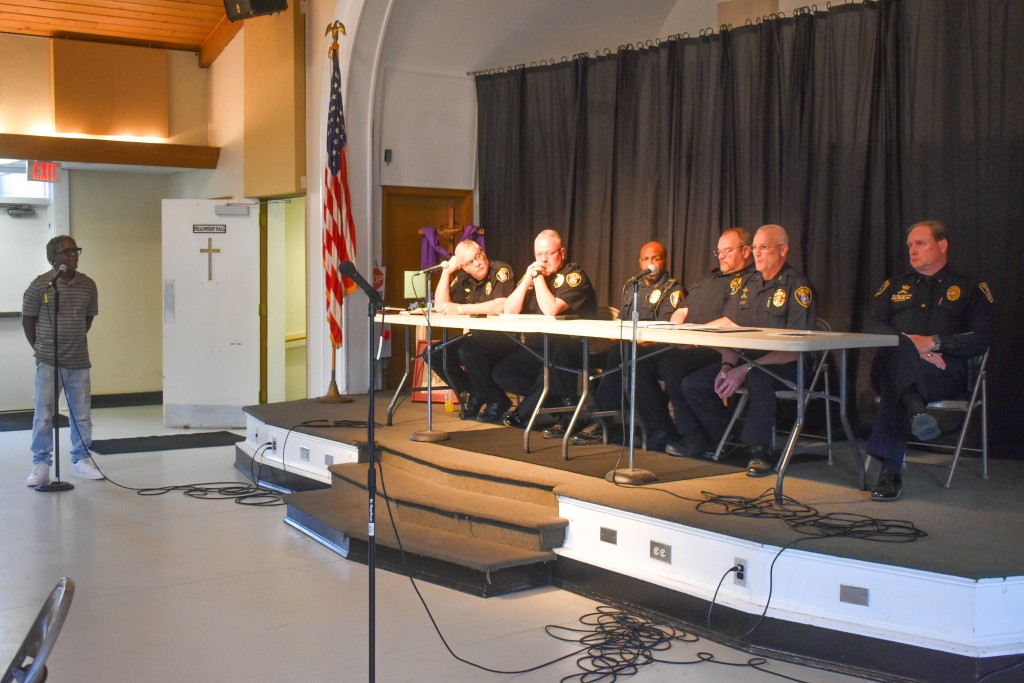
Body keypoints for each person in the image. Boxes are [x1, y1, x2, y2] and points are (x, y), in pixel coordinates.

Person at [863, 220, 994, 501]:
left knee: (895, 383)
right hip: (890, 367)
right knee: (898, 363)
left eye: (920, 243)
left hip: (943, 373)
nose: (912, 250)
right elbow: (870, 326)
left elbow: (981, 337)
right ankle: (915, 411)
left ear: (942, 245)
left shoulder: (970, 287)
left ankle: (890, 469)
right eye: (910, 245)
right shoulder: (893, 286)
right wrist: (912, 345)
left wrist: (935, 343)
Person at [676, 225, 816, 476]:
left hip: (785, 366)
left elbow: (796, 349)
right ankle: (733, 440)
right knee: (692, 384)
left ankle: (760, 451)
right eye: (755, 248)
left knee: (758, 378)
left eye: (765, 247)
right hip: (746, 361)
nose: (758, 254)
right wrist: (727, 365)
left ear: (783, 250)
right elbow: (731, 327)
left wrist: (744, 369)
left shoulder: (797, 287)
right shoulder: (749, 284)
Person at [460, 228, 595, 425]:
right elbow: (509, 310)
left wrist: (538, 278)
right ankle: (554, 400)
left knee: (550, 369)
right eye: (539, 254)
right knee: (502, 372)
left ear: (562, 253)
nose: (544, 260)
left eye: (549, 254)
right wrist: (525, 282)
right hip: (537, 346)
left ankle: (525, 413)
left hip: (569, 348)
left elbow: (551, 309)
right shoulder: (534, 275)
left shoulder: (574, 276)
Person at [566, 241, 684, 449]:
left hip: (658, 351)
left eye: (655, 258)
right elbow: (620, 324)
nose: (651, 263)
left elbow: (664, 331)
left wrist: (621, 342)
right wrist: (607, 340)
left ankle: (600, 421)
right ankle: (577, 414)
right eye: (646, 259)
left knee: (623, 356)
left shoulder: (673, 290)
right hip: (628, 349)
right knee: (589, 350)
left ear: (664, 261)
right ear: (640, 262)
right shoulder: (632, 287)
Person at [655, 228, 756, 456]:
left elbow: (734, 319)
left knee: (673, 366)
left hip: (723, 349)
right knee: (644, 363)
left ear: (746, 251)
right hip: (691, 343)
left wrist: (697, 337)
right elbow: (682, 310)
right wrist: (678, 332)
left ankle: (701, 437)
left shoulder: (751, 280)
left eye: (727, 251)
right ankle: (663, 432)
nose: (721, 256)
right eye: (718, 251)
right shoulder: (708, 277)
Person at [23, 235, 103, 485]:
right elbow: (28, 320)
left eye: (75, 250)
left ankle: (81, 460)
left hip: (78, 360)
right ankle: (41, 464)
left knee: (81, 414)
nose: (73, 255)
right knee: (44, 413)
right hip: (48, 360)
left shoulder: (88, 284)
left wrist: (72, 339)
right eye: (66, 251)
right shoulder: (40, 286)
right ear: (52, 257)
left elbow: (88, 319)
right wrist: (41, 348)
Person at [428, 241, 514, 419]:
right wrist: (447, 271)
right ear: (462, 266)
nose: (477, 263)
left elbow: (502, 304)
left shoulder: (501, 271)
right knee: (434, 353)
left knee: (468, 351)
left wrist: (461, 309)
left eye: (478, 256)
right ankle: (477, 392)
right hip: (478, 336)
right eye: (469, 263)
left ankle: (497, 400)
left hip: (505, 338)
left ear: (483, 252)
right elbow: (441, 305)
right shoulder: (462, 279)